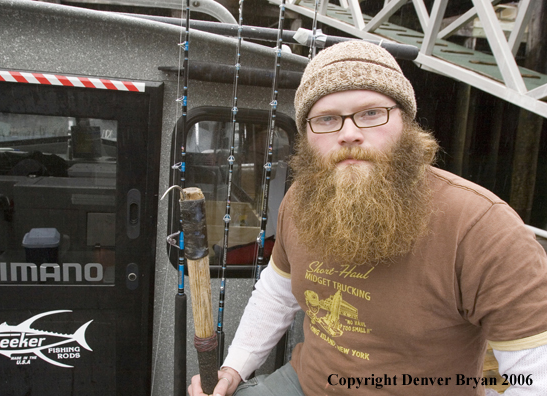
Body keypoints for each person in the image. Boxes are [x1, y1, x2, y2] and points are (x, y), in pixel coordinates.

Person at [188, 40, 547, 396]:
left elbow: (534, 375)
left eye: (371, 113)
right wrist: (235, 367)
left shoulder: (482, 228)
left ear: (406, 121)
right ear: (307, 136)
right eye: (327, 119)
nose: (348, 134)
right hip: (305, 385)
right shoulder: (300, 201)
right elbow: (277, 293)